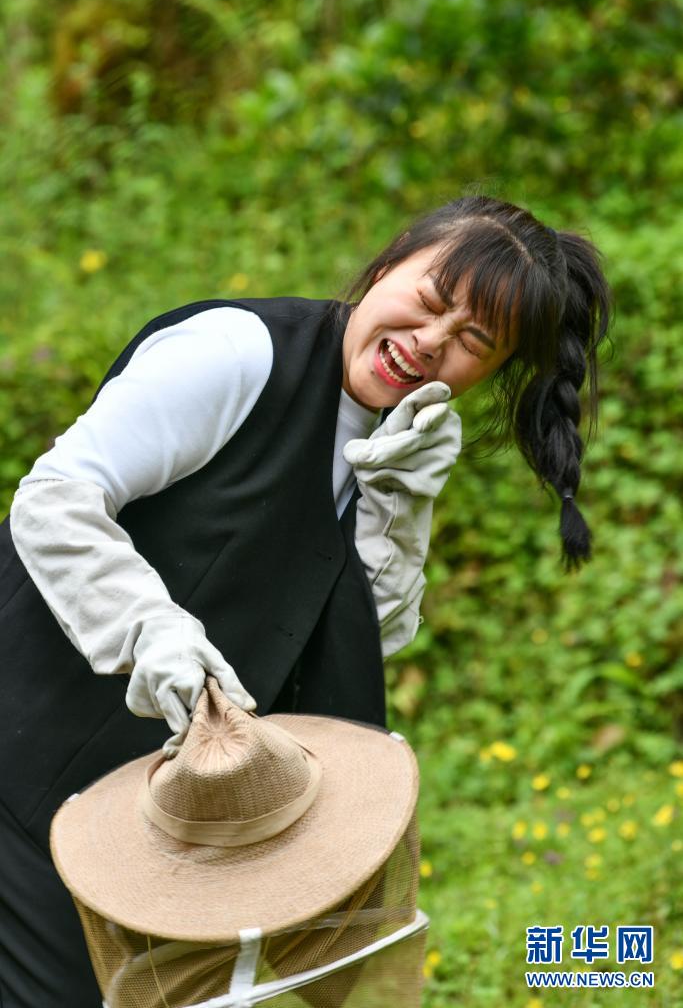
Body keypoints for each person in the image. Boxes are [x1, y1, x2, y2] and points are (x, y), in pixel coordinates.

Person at [0, 195, 611, 1007]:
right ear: (389, 262)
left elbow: (364, 635)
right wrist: (148, 629)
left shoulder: (403, 439)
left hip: (153, 823)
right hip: (27, 762)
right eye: (429, 303)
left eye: (473, 341)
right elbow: (55, 497)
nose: (429, 344)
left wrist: (396, 506)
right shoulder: (237, 354)